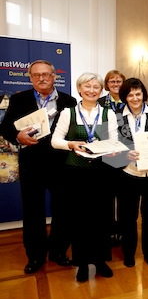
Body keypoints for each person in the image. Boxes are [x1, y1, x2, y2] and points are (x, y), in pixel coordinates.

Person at [0, 60, 76, 274]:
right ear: (30, 77)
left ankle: (59, 252)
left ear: (54, 76)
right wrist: (17, 135)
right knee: (33, 211)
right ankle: (35, 256)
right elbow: (5, 127)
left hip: (61, 165)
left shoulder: (69, 101)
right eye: (36, 75)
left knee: (63, 210)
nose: (41, 78)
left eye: (46, 74)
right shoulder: (18, 99)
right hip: (31, 164)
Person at [51, 73, 118, 282]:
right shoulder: (67, 113)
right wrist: (71, 144)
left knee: (101, 218)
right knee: (78, 219)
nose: (92, 90)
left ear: (101, 90)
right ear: (80, 89)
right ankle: (81, 263)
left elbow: (114, 141)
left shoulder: (109, 114)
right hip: (75, 174)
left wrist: (112, 150)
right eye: (87, 86)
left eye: (96, 87)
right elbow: (55, 141)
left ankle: (100, 261)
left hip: (101, 173)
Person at [116, 78, 148, 268]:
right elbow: (110, 143)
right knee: (128, 217)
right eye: (130, 94)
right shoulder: (116, 115)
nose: (135, 98)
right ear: (125, 97)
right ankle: (128, 253)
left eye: (138, 94)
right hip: (128, 173)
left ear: (144, 95)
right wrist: (123, 154)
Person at [98, 70, 126, 247]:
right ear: (107, 84)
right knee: (106, 197)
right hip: (104, 155)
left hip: (125, 155)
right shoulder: (99, 103)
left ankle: (123, 231)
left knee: (124, 196)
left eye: (119, 81)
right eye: (112, 81)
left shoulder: (131, 101)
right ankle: (107, 231)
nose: (116, 84)